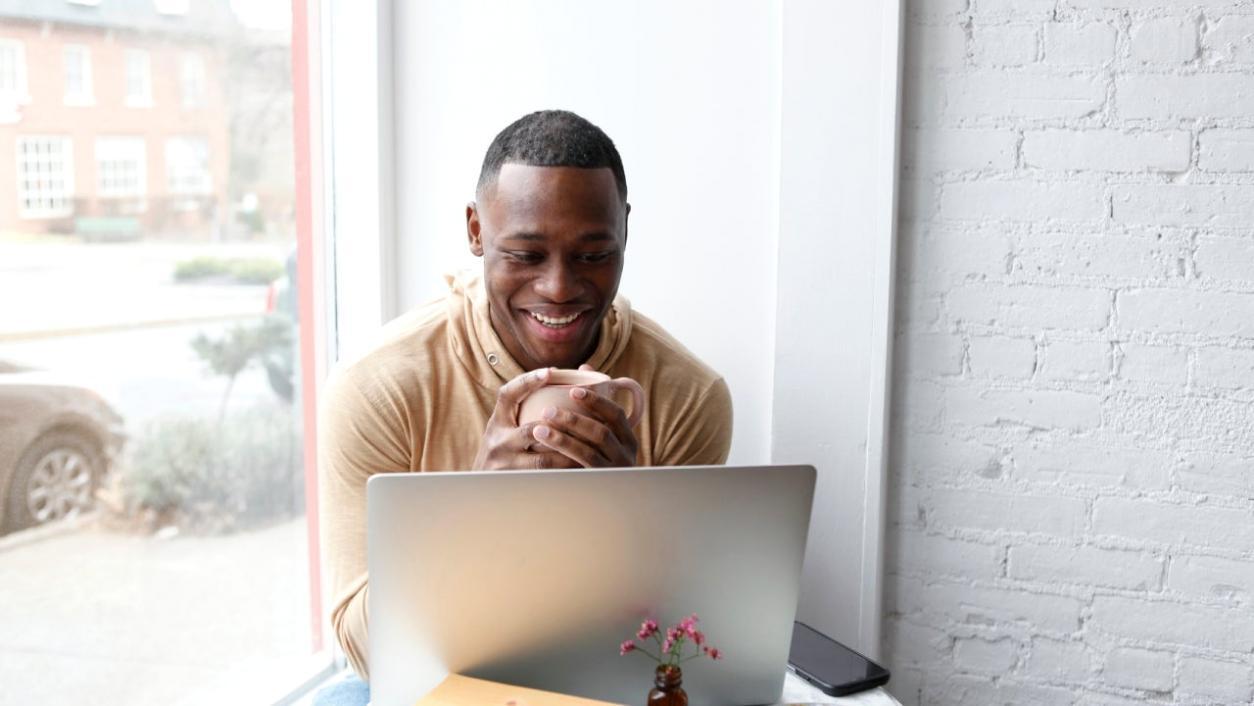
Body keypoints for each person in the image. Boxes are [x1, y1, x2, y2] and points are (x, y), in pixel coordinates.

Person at [316, 110, 733, 691]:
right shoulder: (381, 387)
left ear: (624, 232)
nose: (559, 288)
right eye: (525, 255)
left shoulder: (687, 395)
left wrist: (633, 510)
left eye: (592, 255)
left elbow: (683, 647)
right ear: (475, 231)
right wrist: (477, 510)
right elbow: (369, 652)